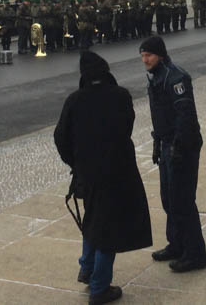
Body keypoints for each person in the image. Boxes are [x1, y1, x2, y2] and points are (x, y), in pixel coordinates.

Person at [54, 51, 152, 305]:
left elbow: (60, 137)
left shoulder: (74, 100)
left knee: (94, 218)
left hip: (87, 172)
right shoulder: (121, 96)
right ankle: (99, 288)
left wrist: (75, 162)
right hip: (118, 170)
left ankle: (87, 267)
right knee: (108, 228)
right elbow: (127, 127)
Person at [140, 36, 206, 273]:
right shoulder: (157, 77)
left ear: (160, 55)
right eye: (143, 56)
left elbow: (185, 116)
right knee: (169, 199)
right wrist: (158, 144)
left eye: (148, 55)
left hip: (182, 147)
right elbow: (161, 117)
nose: (145, 60)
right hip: (167, 144)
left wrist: (177, 147)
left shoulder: (175, 77)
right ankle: (177, 244)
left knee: (183, 201)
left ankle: (195, 254)